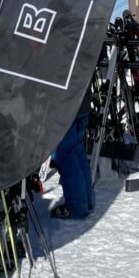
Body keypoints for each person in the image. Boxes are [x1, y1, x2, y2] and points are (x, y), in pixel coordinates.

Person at [51, 81, 94, 220]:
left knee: (65, 154)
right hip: (82, 97)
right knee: (77, 149)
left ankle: (77, 207)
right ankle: (86, 203)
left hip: (66, 102)